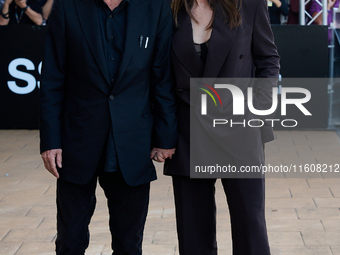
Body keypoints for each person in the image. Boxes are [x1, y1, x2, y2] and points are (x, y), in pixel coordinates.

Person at [39, 0, 177, 254]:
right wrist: (50, 140)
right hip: (77, 142)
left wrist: (165, 136)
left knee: (129, 242)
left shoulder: (155, 8)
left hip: (133, 141)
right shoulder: (68, 6)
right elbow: (52, 78)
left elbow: (162, 77)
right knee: (70, 239)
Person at [164, 0, 280, 254]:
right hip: (189, 132)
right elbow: (160, 73)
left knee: (250, 226)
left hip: (240, 128)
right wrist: (163, 132)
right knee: (193, 232)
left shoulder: (249, 4)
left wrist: (256, 111)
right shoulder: (168, 8)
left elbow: (268, 60)